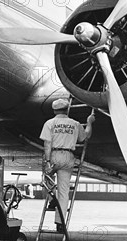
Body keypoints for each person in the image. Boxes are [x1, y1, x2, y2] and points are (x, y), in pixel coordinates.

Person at [40, 98, 95, 232]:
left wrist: (47, 162)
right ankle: (60, 223)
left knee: (45, 179)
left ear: (54, 110)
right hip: (69, 156)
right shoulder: (75, 124)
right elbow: (85, 137)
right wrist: (89, 122)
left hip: (54, 155)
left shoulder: (49, 123)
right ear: (67, 109)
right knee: (64, 192)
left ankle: (53, 196)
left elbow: (47, 144)